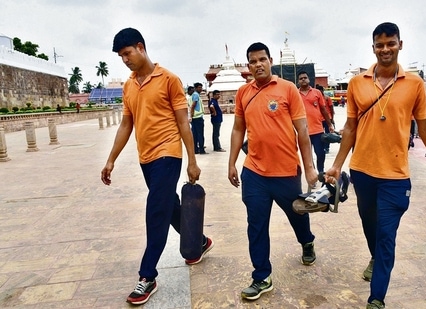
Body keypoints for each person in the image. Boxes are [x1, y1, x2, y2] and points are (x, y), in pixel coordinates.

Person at [325, 22, 426, 309]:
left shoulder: (415, 83)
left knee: (386, 235)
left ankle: (376, 297)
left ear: (400, 45)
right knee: (370, 226)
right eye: (380, 45)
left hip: (395, 175)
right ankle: (373, 257)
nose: (385, 49)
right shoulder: (357, 83)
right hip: (363, 171)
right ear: (373, 48)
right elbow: (350, 127)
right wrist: (337, 164)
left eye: (390, 43)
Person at [101, 28, 213, 305]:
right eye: (120, 56)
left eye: (127, 53)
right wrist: (111, 158)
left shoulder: (169, 80)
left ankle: (147, 275)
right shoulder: (128, 85)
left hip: (168, 154)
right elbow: (127, 124)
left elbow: (182, 122)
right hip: (146, 158)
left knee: (156, 211)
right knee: (168, 205)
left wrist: (192, 160)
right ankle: (199, 241)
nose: (124, 59)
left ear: (141, 47)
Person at [228, 42, 318, 301]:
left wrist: (310, 169)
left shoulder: (288, 90)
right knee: (256, 225)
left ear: (270, 61)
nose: (258, 64)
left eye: (262, 59)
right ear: (248, 66)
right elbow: (237, 129)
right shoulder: (244, 92)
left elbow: (302, 131)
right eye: (253, 61)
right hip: (254, 172)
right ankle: (261, 276)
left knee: (297, 214)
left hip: (286, 171)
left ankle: (307, 240)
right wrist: (232, 162)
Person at [298, 71, 334, 173]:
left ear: (309, 79)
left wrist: (330, 124)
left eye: (305, 77)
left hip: (318, 130)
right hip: (303, 131)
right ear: (298, 81)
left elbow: (323, 110)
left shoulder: (317, 93)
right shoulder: (295, 94)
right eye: (301, 78)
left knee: (320, 153)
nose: (303, 79)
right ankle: (312, 173)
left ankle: (321, 171)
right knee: (307, 156)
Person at [316, 84, 335, 153]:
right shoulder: (316, 98)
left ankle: (327, 147)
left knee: (327, 134)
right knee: (320, 134)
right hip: (319, 119)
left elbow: (331, 108)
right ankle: (323, 146)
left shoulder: (327, 98)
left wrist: (332, 119)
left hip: (327, 119)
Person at [191, 82, 207, 154]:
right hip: (197, 117)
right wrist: (191, 114)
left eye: (201, 87)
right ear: (195, 88)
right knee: (200, 134)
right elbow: (193, 105)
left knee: (195, 134)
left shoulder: (195, 95)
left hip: (195, 117)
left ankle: (195, 149)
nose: (200, 89)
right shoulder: (196, 95)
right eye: (199, 87)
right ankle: (201, 149)